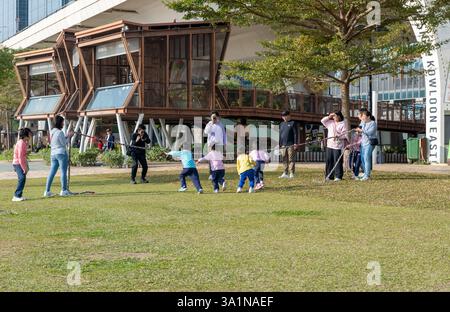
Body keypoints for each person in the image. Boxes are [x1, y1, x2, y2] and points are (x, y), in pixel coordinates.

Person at [44, 116, 74, 197]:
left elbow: (57, 141)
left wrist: (67, 136)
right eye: (62, 122)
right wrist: (70, 136)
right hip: (61, 153)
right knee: (63, 172)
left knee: (52, 172)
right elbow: (64, 143)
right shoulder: (60, 132)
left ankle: (47, 191)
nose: (63, 124)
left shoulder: (52, 132)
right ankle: (64, 190)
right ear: (59, 122)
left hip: (53, 153)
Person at [321, 111, 349, 181]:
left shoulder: (343, 124)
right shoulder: (330, 123)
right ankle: (329, 176)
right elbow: (322, 121)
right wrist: (329, 116)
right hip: (329, 145)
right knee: (329, 160)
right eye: (333, 116)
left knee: (337, 161)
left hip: (338, 146)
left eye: (335, 116)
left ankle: (338, 176)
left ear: (339, 116)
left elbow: (345, 135)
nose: (334, 118)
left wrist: (339, 136)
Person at [355, 109, 378, 181]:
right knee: (363, 159)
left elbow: (370, 132)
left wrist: (361, 131)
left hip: (370, 143)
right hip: (363, 143)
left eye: (364, 116)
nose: (363, 117)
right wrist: (358, 132)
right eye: (362, 116)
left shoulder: (373, 123)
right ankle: (366, 173)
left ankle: (367, 176)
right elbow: (360, 131)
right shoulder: (362, 122)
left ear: (368, 117)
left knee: (366, 158)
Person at [204, 111, 227, 179]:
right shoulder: (209, 124)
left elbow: (224, 135)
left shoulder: (221, 125)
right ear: (211, 118)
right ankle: (211, 173)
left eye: (215, 117)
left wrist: (225, 144)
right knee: (211, 159)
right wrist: (212, 124)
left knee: (219, 159)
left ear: (218, 117)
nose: (214, 118)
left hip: (219, 144)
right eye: (212, 117)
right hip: (211, 144)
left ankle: (220, 174)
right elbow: (206, 132)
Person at [12, 128, 32, 201]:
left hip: (18, 163)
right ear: (25, 135)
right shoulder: (21, 143)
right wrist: (24, 168)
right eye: (29, 134)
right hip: (18, 163)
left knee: (22, 179)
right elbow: (20, 157)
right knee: (22, 178)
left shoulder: (23, 142)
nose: (30, 135)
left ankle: (19, 195)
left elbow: (22, 155)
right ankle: (16, 196)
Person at [279, 111, 298, 179]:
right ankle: (285, 172)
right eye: (282, 116)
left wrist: (295, 143)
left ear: (289, 115)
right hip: (283, 145)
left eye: (285, 116)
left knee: (291, 159)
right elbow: (280, 135)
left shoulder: (293, 123)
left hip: (291, 144)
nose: (283, 117)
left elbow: (295, 134)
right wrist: (280, 144)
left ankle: (291, 173)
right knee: (284, 159)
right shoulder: (281, 124)